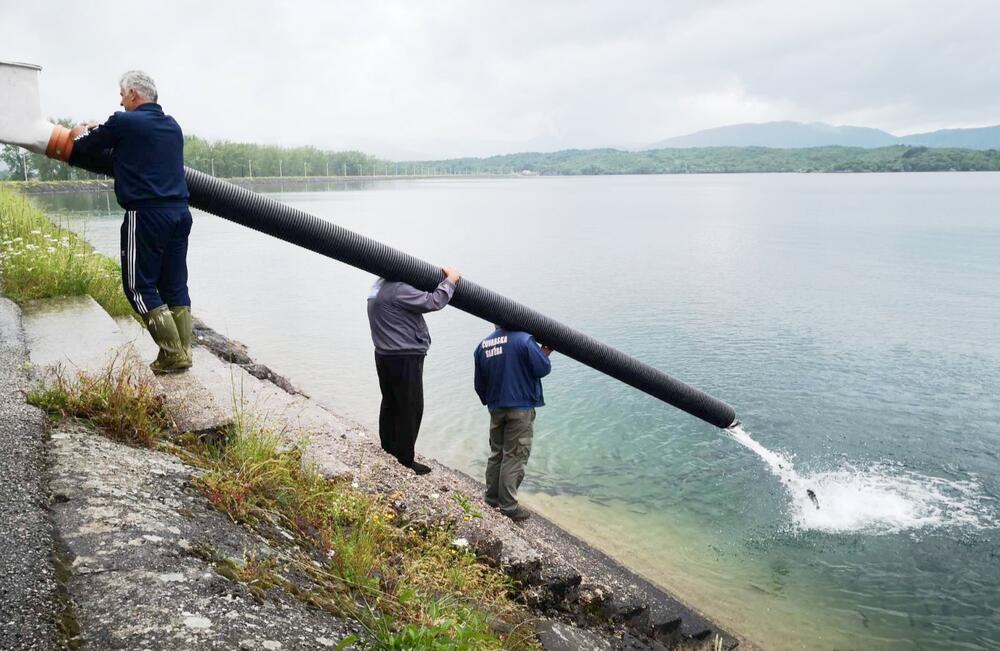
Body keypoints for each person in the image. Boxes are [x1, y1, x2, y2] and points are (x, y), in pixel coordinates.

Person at [67, 71, 193, 375]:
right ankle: (183, 352)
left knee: (139, 286)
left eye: (122, 95)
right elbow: (137, 144)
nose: (120, 100)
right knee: (174, 285)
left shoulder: (124, 123)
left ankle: (173, 354)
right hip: (180, 213)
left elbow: (83, 146)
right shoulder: (172, 126)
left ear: (134, 94)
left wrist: (77, 130)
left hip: (147, 214)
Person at [367, 268, 461, 475]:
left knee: (391, 402)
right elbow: (434, 301)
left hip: (384, 353)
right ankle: (405, 458)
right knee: (411, 407)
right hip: (404, 356)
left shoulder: (378, 286)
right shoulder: (399, 289)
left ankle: (389, 447)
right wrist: (451, 281)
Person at [474, 326, 552, 521]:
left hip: (496, 407)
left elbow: (479, 384)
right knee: (515, 455)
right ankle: (508, 506)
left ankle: (491, 499)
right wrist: (545, 352)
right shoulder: (524, 340)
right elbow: (542, 368)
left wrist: (490, 401)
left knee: (496, 453)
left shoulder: (483, 345)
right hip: (520, 406)